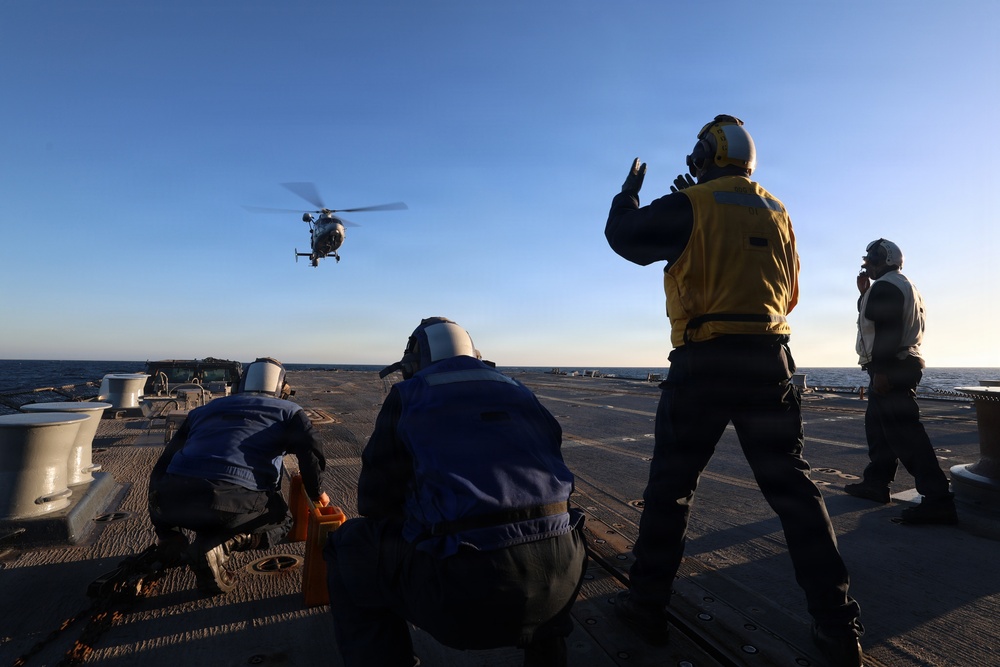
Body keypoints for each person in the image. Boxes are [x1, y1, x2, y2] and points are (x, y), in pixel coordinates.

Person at [605, 115, 863, 665]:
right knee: (795, 493)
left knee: (671, 490)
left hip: (705, 360)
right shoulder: (779, 211)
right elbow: (790, 295)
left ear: (705, 154)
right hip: (770, 362)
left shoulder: (690, 205)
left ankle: (647, 606)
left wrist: (628, 196)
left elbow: (623, 239)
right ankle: (838, 629)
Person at [324, 317, 586, 667]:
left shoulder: (407, 396)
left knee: (347, 546)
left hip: (465, 602)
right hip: (562, 583)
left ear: (413, 365)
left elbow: (375, 503)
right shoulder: (522, 392)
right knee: (542, 527)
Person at [148, 357, 328, 595]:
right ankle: (220, 546)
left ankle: (174, 543)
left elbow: (163, 465)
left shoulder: (202, 411)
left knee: (208, 505)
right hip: (228, 502)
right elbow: (311, 452)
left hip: (171, 503)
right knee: (282, 520)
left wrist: (164, 529)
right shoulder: (289, 412)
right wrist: (317, 493)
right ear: (282, 389)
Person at [845, 239, 958, 524]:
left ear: (884, 259)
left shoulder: (886, 286)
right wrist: (864, 295)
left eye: (870, 259)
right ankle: (876, 483)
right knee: (879, 430)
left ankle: (938, 500)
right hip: (899, 364)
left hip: (891, 367)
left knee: (905, 435)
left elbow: (888, 329)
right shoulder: (898, 284)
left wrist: (881, 370)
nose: (865, 263)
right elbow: (877, 319)